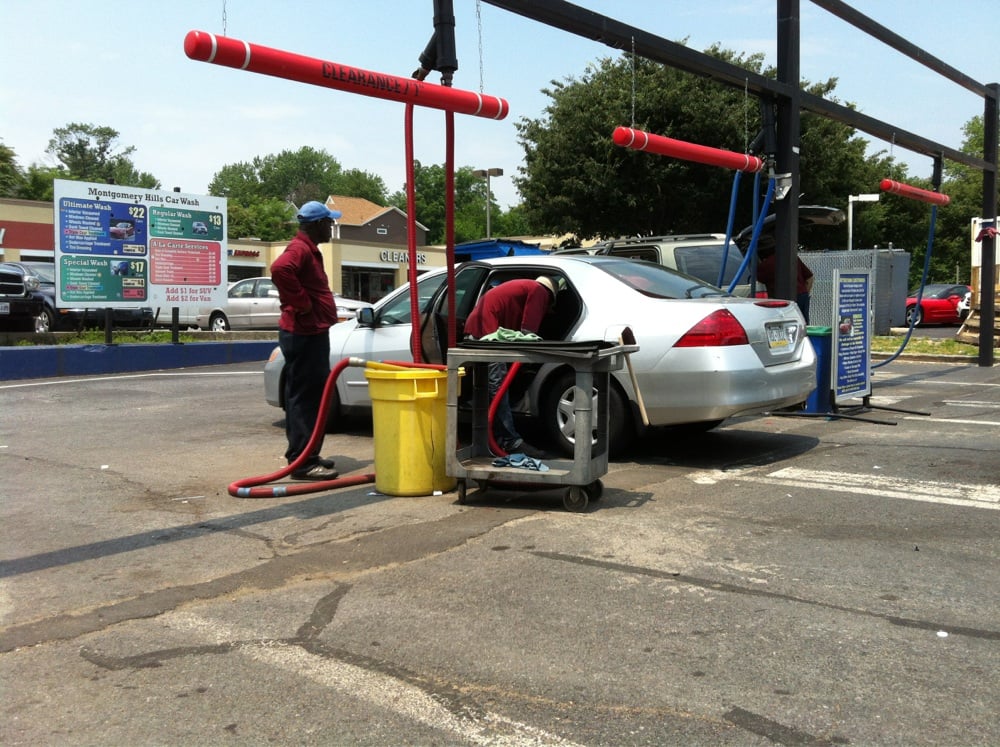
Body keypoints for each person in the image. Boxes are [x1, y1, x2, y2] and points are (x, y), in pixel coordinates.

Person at [270, 200, 342, 480]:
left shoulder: (309, 250)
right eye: (329, 222)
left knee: (312, 396)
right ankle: (301, 463)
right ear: (317, 225)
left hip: (311, 331)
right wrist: (302, 304)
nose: (331, 227)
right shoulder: (299, 249)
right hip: (303, 332)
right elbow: (279, 270)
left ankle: (308, 454)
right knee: (303, 397)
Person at [464, 276, 561, 458]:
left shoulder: (525, 287)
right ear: (550, 296)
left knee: (487, 388)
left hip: (478, 330)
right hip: (488, 333)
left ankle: (489, 440)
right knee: (497, 388)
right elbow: (528, 331)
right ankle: (510, 441)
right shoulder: (539, 291)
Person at [756, 244, 815, 323]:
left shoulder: (764, 266)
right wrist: (805, 293)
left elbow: (757, 283)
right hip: (801, 295)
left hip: (781, 299)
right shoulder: (792, 258)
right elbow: (810, 278)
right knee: (803, 324)